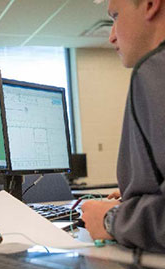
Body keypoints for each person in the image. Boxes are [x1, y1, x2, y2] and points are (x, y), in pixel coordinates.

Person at [81, 0, 165, 253]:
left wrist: (112, 219)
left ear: (151, 4)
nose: (111, 36)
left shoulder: (154, 70)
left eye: (115, 16)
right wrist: (138, 198)